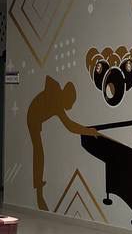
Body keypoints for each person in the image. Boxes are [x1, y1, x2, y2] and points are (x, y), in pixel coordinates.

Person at [26, 75, 99, 210]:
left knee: (39, 151)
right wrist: (88, 131)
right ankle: (39, 195)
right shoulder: (57, 100)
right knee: (39, 152)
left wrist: (88, 131)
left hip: (35, 116)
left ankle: (39, 194)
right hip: (32, 118)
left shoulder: (57, 98)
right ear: (66, 96)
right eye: (71, 102)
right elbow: (70, 126)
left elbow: (70, 125)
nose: (70, 106)